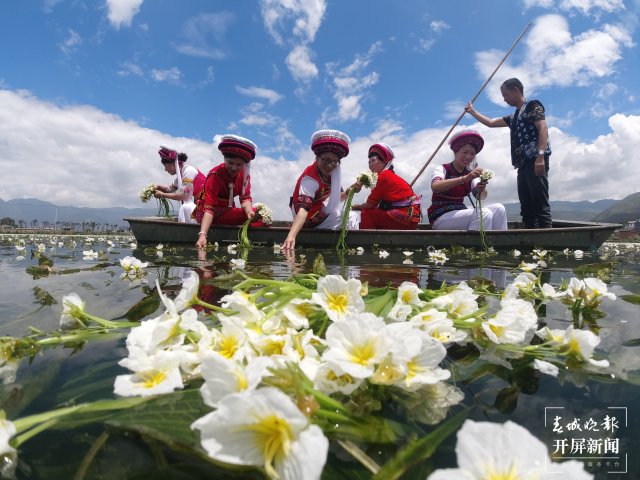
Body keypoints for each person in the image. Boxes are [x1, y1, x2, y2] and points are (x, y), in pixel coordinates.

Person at [465, 78, 552, 228]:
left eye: (506, 95)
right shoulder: (513, 117)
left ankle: (548, 243)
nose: (504, 99)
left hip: (535, 160)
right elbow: (491, 123)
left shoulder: (533, 106)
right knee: (526, 207)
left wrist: (540, 157)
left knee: (540, 204)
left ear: (516, 90)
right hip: (523, 165)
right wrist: (472, 111)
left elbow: (543, 129)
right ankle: (532, 243)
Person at [283, 129, 359, 250]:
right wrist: (291, 236)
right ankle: (346, 248)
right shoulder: (310, 179)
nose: (329, 166)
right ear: (317, 157)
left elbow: (338, 197)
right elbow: (303, 210)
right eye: (326, 160)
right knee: (351, 217)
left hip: (319, 210)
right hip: (307, 216)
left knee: (351, 216)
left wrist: (351, 190)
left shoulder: (333, 175)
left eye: (334, 162)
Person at [427, 130, 507, 231]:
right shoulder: (443, 169)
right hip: (440, 217)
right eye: (465, 152)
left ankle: (500, 245)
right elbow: (435, 186)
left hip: (460, 214)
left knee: (499, 208)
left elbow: (481, 197)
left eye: (472, 154)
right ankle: (475, 246)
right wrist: (464, 178)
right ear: (456, 152)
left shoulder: (471, 173)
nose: (468, 157)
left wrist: (482, 188)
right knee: (484, 213)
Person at [195, 134, 263, 249]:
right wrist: (202, 235)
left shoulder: (244, 174)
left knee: (260, 215)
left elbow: (245, 198)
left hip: (228, 210)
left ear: (244, 165)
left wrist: (249, 211)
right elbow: (209, 208)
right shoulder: (214, 175)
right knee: (260, 217)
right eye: (230, 163)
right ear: (224, 159)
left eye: (239, 165)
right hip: (209, 213)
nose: (234, 168)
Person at [350, 143, 421, 229]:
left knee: (366, 212)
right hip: (411, 218)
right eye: (369, 162)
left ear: (384, 161)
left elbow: (370, 205)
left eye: (373, 160)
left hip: (405, 218)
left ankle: (368, 241)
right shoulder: (389, 175)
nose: (370, 165)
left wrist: (358, 207)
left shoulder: (383, 176)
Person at [154, 147, 205, 223]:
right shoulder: (180, 177)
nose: (165, 169)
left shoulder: (188, 171)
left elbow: (184, 195)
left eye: (165, 166)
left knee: (185, 207)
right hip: (198, 205)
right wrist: (158, 186)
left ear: (172, 164)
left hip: (206, 204)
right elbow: (170, 188)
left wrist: (162, 195)